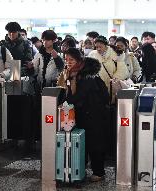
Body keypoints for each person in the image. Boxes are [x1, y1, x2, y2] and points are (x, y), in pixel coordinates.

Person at [57, 48, 109, 182]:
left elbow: (81, 95)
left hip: (94, 114)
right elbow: (65, 90)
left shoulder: (88, 75)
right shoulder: (71, 73)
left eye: (71, 60)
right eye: (66, 59)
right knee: (82, 142)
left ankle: (99, 172)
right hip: (81, 113)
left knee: (95, 143)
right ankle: (80, 168)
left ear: (79, 60)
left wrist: (64, 103)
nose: (68, 62)